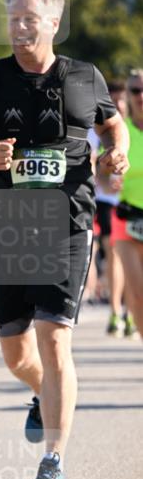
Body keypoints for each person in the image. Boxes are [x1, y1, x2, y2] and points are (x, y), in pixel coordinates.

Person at [0, 0, 128, 479]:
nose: (19, 27)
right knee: (17, 355)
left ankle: (52, 460)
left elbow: (114, 125)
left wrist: (119, 150)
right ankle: (39, 394)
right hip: (10, 227)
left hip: (67, 223)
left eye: (30, 18)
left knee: (54, 336)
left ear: (54, 22)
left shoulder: (85, 77)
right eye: (13, 18)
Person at [89, 80, 132, 336]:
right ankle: (116, 310)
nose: (116, 106)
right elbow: (92, 167)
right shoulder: (96, 132)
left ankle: (131, 308)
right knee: (113, 253)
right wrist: (105, 178)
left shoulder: (133, 130)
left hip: (134, 202)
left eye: (120, 101)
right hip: (107, 201)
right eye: (111, 101)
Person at [111, 70, 143, 336]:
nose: (140, 96)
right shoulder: (121, 131)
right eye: (134, 90)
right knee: (137, 294)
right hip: (126, 217)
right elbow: (101, 172)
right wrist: (108, 181)